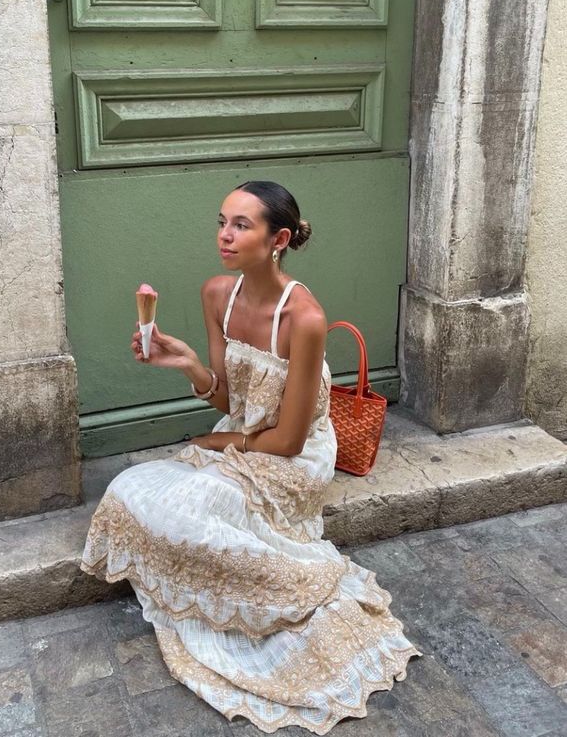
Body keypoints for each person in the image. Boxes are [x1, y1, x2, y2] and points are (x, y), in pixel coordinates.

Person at [80, 180, 423, 734]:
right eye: (222, 221)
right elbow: (227, 398)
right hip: (243, 435)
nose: (225, 235)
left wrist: (216, 444)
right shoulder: (218, 293)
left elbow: (288, 439)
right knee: (127, 491)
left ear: (279, 238)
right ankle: (209, 583)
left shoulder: (303, 319)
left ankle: (281, 587)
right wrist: (189, 364)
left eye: (242, 225)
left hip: (291, 454)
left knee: (197, 508)